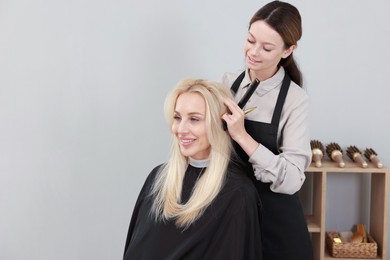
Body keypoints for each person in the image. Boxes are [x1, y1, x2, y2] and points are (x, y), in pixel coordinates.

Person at [123, 79, 263, 260]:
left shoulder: (238, 193)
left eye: (194, 119)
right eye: (177, 118)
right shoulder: (158, 179)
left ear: (221, 125)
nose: (181, 129)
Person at [221, 1, 313, 259]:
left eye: (267, 47)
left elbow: (293, 179)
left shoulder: (295, 100)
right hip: (233, 217)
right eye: (250, 40)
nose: (253, 52)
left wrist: (242, 136)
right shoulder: (228, 83)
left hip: (275, 227)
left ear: (288, 50)